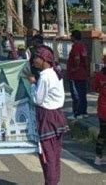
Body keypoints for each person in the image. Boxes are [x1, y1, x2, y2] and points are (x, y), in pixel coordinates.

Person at [28, 46, 69, 185]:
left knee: (47, 155)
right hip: (57, 115)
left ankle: (50, 182)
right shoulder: (56, 72)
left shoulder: (45, 77)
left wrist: (33, 84)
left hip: (47, 117)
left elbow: (37, 100)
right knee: (55, 153)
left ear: (44, 59)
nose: (34, 61)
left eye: (36, 58)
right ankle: (54, 181)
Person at [66, 30, 89, 119]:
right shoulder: (83, 46)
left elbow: (77, 58)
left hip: (75, 74)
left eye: (71, 36)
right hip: (82, 73)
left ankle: (77, 113)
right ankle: (84, 112)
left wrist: (74, 68)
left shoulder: (76, 47)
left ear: (73, 37)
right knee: (83, 94)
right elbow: (86, 59)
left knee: (76, 94)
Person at [91, 56, 106, 165]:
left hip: (102, 108)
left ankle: (98, 156)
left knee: (103, 133)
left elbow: (95, 88)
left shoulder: (99, 75)